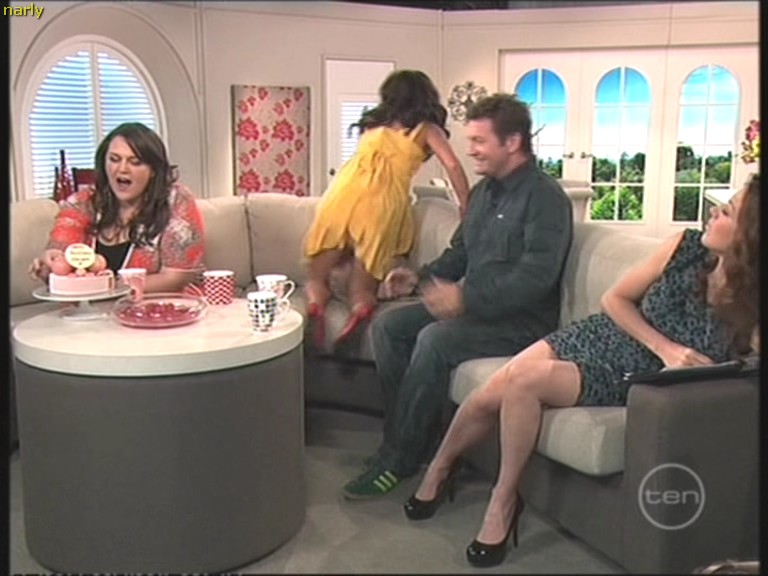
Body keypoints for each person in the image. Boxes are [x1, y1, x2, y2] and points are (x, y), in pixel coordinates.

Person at [405, 174, 760, 568]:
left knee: (522, 381)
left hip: (633, 376)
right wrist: (667, 348)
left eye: (728, 212)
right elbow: (615, 299)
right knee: (490, 393)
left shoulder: (753, 302)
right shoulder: (684, 247)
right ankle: (440, 468)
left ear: (750, 236)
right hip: (603, 334)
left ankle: (503, 499)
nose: (714, 212)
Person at [341, 93, 574, 499]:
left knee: (435, 339)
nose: (471, 150)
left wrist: (466, 300)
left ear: (512, 142)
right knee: (389, 326)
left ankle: (399, 458)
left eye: (480, 141)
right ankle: (404, 438)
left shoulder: (546, 200)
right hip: (478, 312)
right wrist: (418, 279)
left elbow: (534, 279)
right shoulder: (483, 194)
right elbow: (460, 254)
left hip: (523, 324)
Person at [303, 70, 471, 349]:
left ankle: (315, 305)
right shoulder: (427, 129)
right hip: (381, 203)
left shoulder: (373, 125)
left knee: (316, 276)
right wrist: (466, 205)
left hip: (342, 194)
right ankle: (360, 310)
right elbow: (452, 166)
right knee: (362, 288)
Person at [29, 122, 205, 293]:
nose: (122, 169)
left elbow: (175, 278)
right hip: (91, 309)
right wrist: (50, 265)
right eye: (114, 159)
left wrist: (107, 286)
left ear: (153, 170)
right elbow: (61, 253)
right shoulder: (82, 202)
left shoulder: (176, 200)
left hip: (158, 305)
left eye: (135, 162)